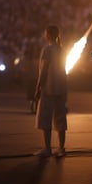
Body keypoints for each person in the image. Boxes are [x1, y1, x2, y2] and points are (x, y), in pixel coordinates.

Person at [33, 25, 67, 158]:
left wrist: (38, 87)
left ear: (48, 35)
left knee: (45, 116)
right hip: (61, 87)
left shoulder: (47, 49)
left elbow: (44, 70)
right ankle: (61, 147)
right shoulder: (61, 50)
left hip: (49, 87)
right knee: (60, 117)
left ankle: (47, 147)